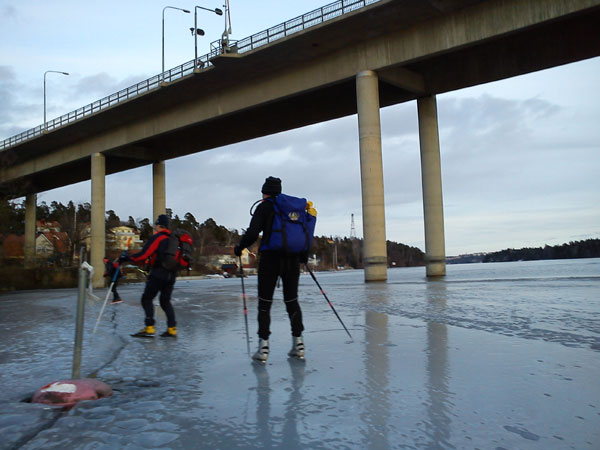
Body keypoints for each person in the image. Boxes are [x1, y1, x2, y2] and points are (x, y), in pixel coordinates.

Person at [234, 176, 309, 363]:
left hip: (270, 260)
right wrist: (303, 256)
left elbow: (252, 232)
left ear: (264, 192)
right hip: (292, 259)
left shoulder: (264, 207)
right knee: (292, 301)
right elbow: (304, 232)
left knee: (265, 303)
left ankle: (263, 348)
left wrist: (240, 247)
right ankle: (298, 344)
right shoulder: (291, 209)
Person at [120, 214, 178, 338]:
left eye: (156, 224)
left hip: (158, 273)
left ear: (159, 225)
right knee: (165, 301)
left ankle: (149, 328)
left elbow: (144, 254)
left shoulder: (158, 238)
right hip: (172, 274)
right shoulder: (174, 239)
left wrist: (127, 258)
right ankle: (172, 329)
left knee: (146, 299)